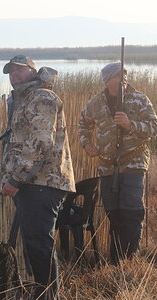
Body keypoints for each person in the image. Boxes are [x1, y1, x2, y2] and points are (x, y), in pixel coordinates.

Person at [0, 55, 76, 300]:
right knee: (35, 242)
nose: (14, 75)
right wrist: (10, 176)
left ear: (32, 71)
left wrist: (16, 179)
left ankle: (47, 295)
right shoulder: (23, 100)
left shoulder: (42, 97)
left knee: (40, 243)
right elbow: (16, 144)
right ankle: (43, 292)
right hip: (31, 184)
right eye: (10, 71)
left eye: (19, 70)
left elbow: (41, 143)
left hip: (44, 183)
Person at [78, 62, 157, 265]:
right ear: (107, 81)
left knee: (132, 212)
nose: (124, 79)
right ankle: (116, 261)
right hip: (107, 167)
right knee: (113, 212)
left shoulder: (139, 99)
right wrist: (87, 144)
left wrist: (131, 125)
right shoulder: (95, 103)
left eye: (125, 75)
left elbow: (153, 127)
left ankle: (130, 262)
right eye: (118, 76)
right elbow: (83, 125)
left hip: (134, 163)